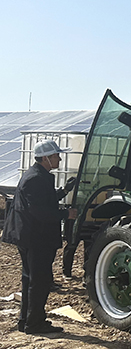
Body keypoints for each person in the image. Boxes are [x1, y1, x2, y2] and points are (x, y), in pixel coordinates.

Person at [2, 139, 76, 334]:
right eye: (56, 156)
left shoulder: (37, 175)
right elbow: (39, 211)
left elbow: (45, 200)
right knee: (39, 280)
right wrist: (65, 214)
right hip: (36, 238)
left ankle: (26, 321)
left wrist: (64, 191)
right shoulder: (36, 178)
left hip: (30, 236)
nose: (59, 158)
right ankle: (34, 324)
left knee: (31, 279)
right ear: (46, 158)